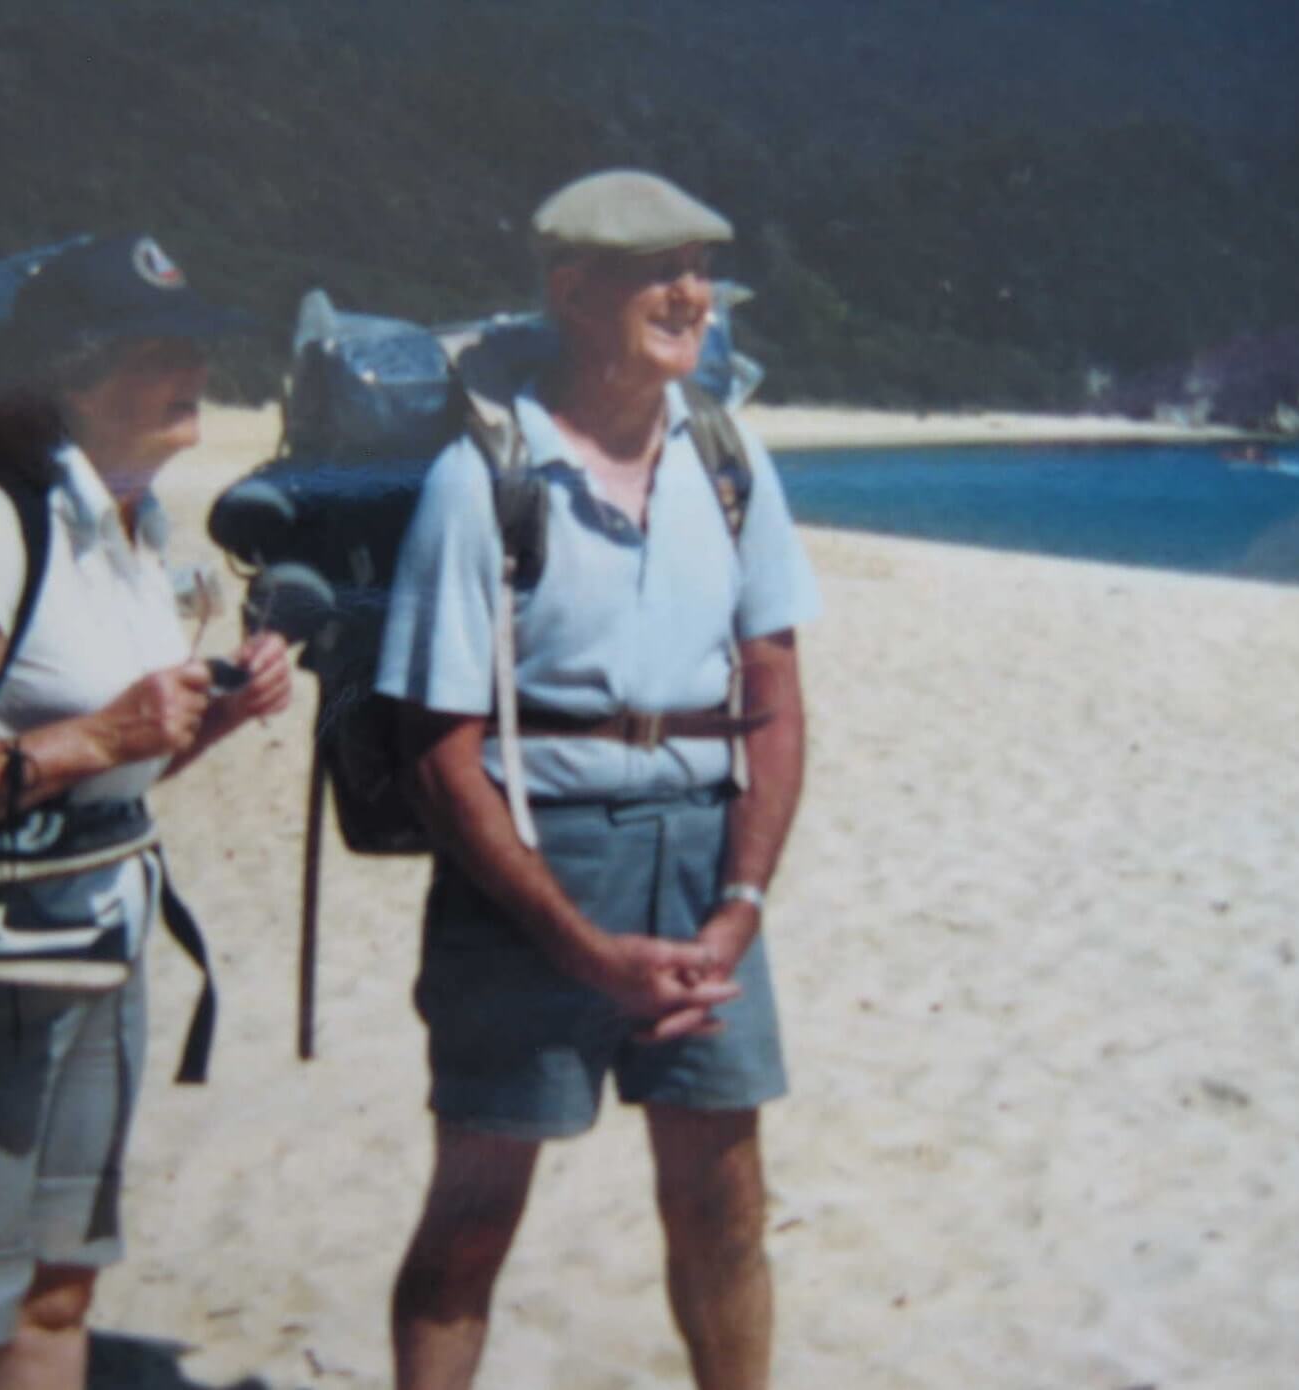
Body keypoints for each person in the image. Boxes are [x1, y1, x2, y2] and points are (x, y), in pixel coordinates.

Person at [376, 171, 820, 1390]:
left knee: (724, 1205)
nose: (692, 292)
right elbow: (436, 753)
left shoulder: (727, 460)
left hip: (699, 859)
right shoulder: (483, 480)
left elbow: (774, 700)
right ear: (572, 291)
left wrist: (741, 908)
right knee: (472, 1222)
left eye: (700, 267)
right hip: (528, 865)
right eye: (657, 269)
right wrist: (575, 945)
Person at [0, 234, 292, 1389]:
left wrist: (204, 723)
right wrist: (101, 733)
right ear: (72, 378)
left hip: (97, 951)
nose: (192, 368)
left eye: (196, 345)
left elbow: (104, 780)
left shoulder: (134, 529)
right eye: (159, 350)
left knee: (56, 1289)